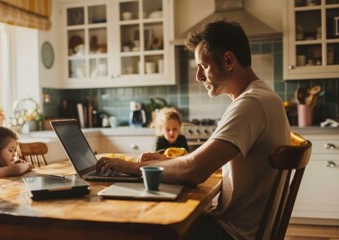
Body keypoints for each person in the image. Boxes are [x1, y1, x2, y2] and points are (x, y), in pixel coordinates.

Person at [96, 19, 291, 239]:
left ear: (228, 61)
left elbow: (195, 170)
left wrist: (133, 167)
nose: (199, 76)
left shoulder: (251, 104)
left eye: (203, 66)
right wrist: (164, 162)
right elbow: (199, 161)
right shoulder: (263, 96)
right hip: (246, 230)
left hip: (232, 234)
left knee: (137, 226)